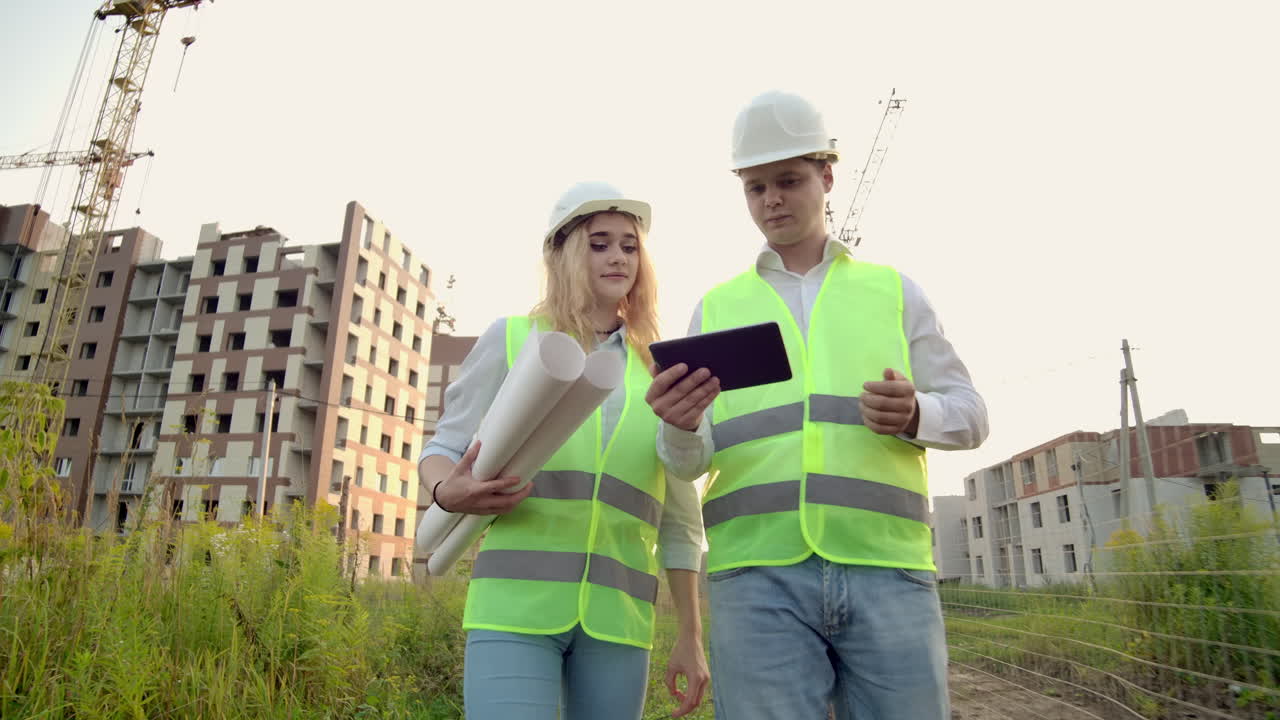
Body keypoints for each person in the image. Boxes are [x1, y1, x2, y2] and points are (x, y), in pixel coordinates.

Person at [646, 91, 990, 720]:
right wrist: (680, 423)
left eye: (787, 180)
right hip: (755, 576)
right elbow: (688, 461)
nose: (771, 199)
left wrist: (917, 416)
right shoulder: (717, 308)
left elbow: (970, 414)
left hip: (885, 567)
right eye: (755, 187)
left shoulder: (893, 291)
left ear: (827, 176)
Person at [421, 181, 712, 720]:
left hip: (618, 622)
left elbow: (680, 519)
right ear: (562, 252)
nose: (618, 256)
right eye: (599, 243)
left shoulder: (658, 369)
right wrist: (446, 488)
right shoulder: (512, 340)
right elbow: (442, 446)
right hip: (514, 612)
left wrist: (691, 636)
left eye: (629, 245)